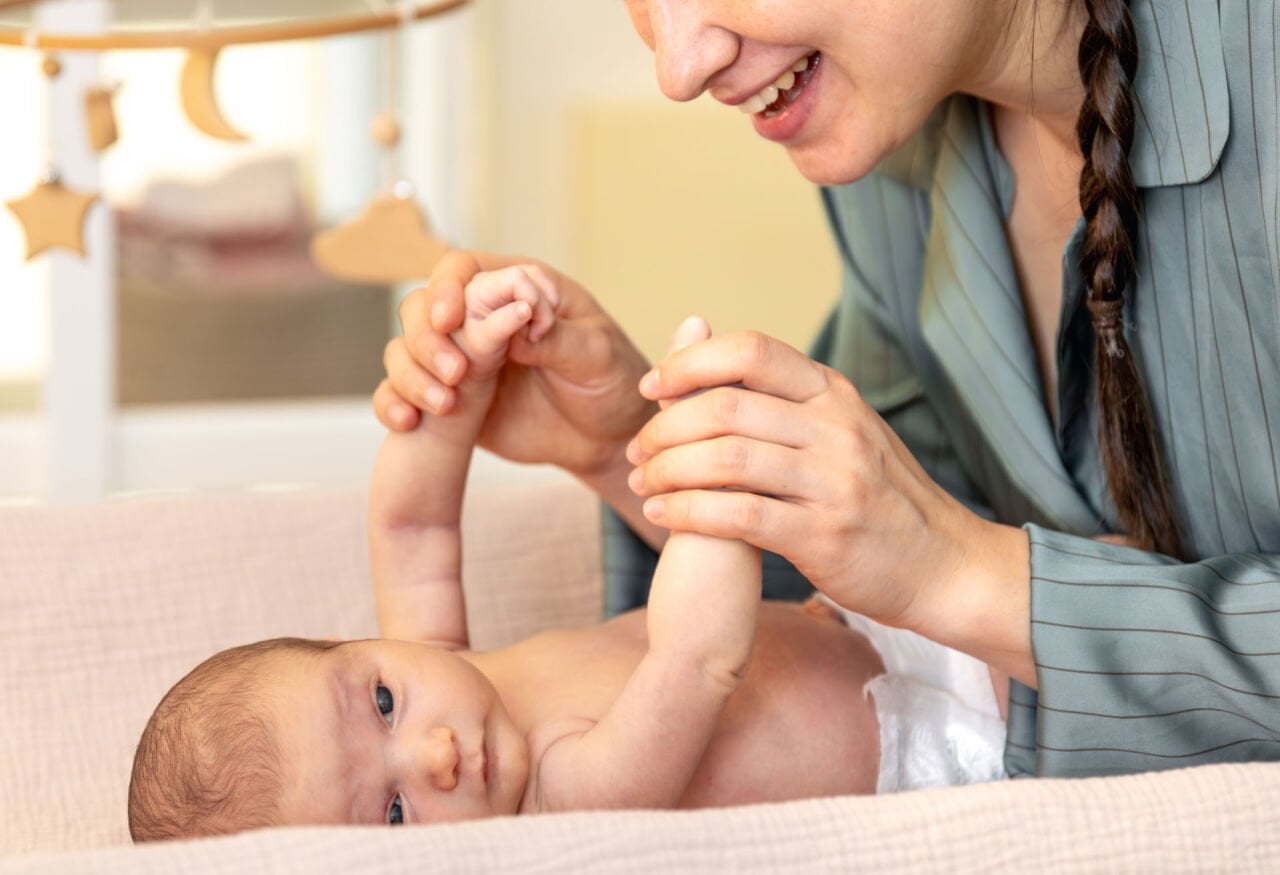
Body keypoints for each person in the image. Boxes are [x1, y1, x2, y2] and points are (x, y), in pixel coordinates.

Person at [376, 1, 1280, 779]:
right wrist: (624, 447)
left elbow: (936, 571)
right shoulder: (892, 162)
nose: (678, 66)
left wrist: (959, 568)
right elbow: (877, 638)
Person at [128, 267, 1009, 841]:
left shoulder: (441, 659)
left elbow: (412, 525)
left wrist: (457, 375)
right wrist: (706, 489)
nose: (433, 755)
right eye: (394, 814)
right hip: (933, 743)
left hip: (866, 622)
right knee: (1086, 666)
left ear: (353, 644)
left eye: (384, 702)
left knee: (1063, 558)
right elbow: (696, 658)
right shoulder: (558, 799)